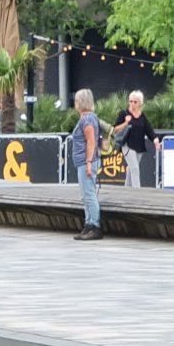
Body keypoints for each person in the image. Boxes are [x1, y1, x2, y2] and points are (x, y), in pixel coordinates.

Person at [71, 88, 102, 240]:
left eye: (77, 100)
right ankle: (88, 223)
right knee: (85, 195)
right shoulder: (87, 118)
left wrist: (89, 162)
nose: (75, 103)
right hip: (83, 161)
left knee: (89, 194)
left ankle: (95, 226)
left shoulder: (87, 119)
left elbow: (91, 142)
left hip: (86, 161)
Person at [112, 89, 160, 187]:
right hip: (127, 145)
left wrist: (155, 140)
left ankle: (126, 190)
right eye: (131, 101)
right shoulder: (124, 113)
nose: (132, 104)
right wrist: (126, 123)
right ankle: (137, 193)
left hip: (139, 146)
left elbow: (149, 129)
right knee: (135, 169)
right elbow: (115, 129)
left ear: (140, 104)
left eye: (135, 102)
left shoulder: (142, 116)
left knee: (131, 169)